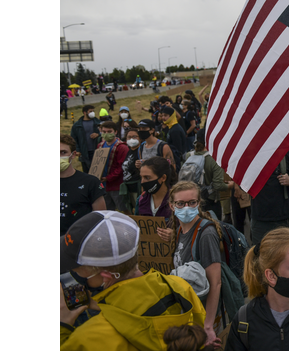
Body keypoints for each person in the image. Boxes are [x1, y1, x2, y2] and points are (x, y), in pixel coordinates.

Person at [60, 211, 206, 350]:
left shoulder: (89, 338)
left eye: (76, 270)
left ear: (106, 276)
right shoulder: (180, 286)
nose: (73, 274)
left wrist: (62, 326)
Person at [157, 181, 228, 346]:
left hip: (204, 314)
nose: (186, 208)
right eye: (180, 203)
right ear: (172, 206)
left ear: (199, 203)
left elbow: (216, 282)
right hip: (190, 310)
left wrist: (208, 325)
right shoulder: (180, 230)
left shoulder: (206, 234)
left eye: (192, 202)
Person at [250, 149, 289, 251]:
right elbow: (242, 183)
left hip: (283, 218)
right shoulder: (251, 156)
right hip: (260, 219)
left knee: (286, 253)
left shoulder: (285, 154)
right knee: (260, 254)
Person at [61, 134, 106, 235]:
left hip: (78, 241)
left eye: (63, 152)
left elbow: (101, 218)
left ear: (73, 154)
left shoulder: (90, 182)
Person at [182, 130, 231, 220]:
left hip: (192, 199)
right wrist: (230, 185)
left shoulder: (189, 155)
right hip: (210, 200)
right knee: (214, 225)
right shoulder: (214, 159)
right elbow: (218, 185)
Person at [96, 121, 130, 213]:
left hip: (117, 185)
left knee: (124, 209)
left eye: (109, 131)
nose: (106, 134)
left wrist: (108, 178)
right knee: (107, 210)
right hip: (104, 185)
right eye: (104, 132)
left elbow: (121, 167)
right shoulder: (100, 146)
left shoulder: (122, 147)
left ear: (115, 132)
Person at [71, 105, 102, 172]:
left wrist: (98, 134)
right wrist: (77, 150)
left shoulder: (98, 123)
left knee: (98, 171)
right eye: (90, 111)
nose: (92, 113)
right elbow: (73, 138)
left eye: (93, 111)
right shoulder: (77, 125)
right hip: (84, 152)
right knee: (86, 172)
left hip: (97, 150)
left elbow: (105, 133)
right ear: (84, 112)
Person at [121, 128, 142, 214]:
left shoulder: (141, 151)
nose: (131, 139)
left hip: (137, 188)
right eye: (129, 137)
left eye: (134, 136)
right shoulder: (129, 151)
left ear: (140, 138)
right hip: (128, 187)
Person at [158, 106, 186, 170]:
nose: (163, 118)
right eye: (162, 115)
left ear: (171, 116)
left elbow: (178, 149)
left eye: (165, 115)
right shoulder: (171, 127)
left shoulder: (175, 130)